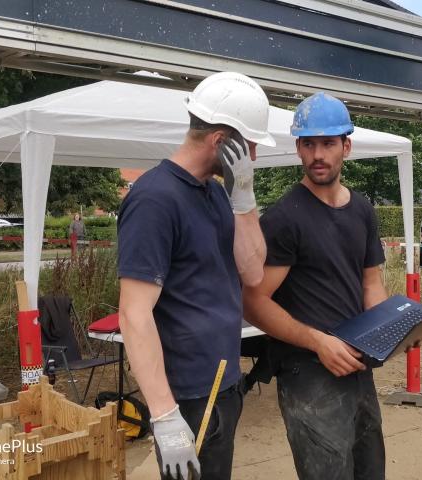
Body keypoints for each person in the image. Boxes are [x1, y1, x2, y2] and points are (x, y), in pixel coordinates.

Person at [117, 71, 274, 480]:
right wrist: (165, 415)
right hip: (186, 396)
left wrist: (244, 200)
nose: (253, 157)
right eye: (250, 146)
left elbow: (253, 272)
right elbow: (134, 314)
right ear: (221, 141)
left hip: (223, 384)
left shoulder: (218, 193)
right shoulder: (155, 199)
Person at [243, 92, 389, 479]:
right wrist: (319, 342)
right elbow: (254, 302)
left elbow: (371, 283)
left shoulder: (361, 209)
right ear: (298, 148)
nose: (318, 154)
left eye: (328, 143)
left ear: (347, 146)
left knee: (370, 470)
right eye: (309, 144)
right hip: (308, 374)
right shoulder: (284, 218)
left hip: (357, 368)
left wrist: (389, 330)